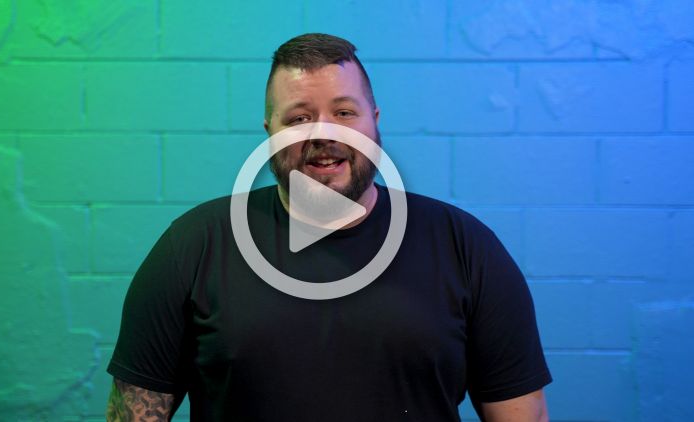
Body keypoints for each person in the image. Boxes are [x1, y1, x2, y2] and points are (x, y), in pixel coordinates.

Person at [106, 33, 552, 422]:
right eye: (298, 118)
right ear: (269, 132)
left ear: (375, 121)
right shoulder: (193, 246)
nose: (323, 134)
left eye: (344, 112)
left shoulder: (465, 246)